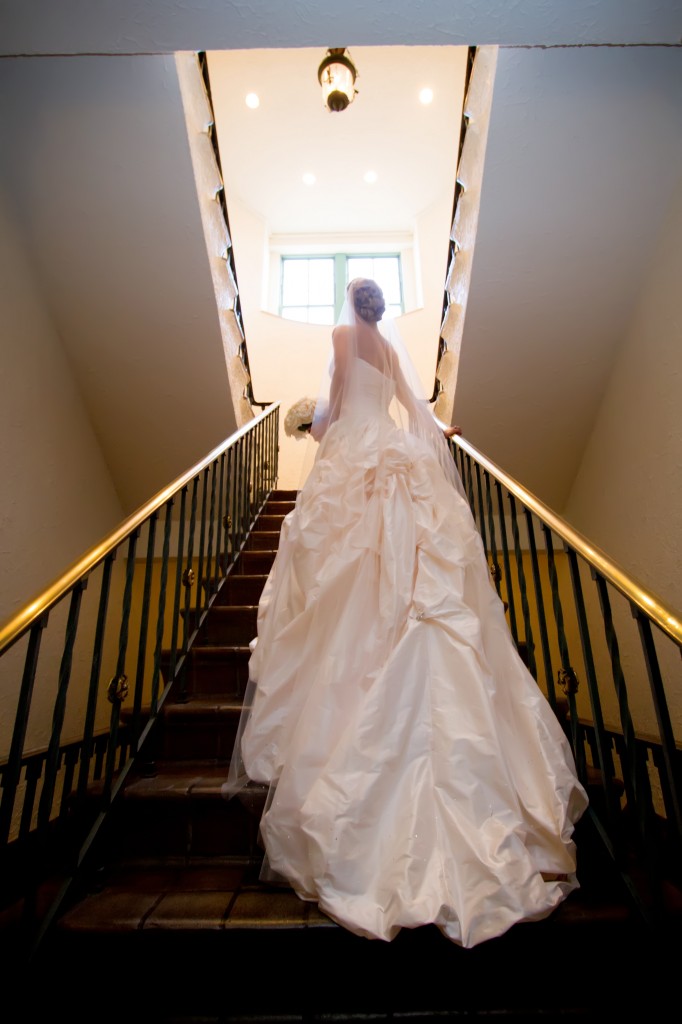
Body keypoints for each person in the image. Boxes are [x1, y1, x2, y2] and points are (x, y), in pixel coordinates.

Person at [225, 278, 588, 948]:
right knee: (420, 567)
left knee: (344, 566)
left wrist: (313, 427)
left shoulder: (340, 338)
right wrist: (440, 431)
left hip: (357, 452)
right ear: (380, 311)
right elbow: (412, 414)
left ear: (348, 307)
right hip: (394, 449)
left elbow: (336, 404)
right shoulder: (392, 354)